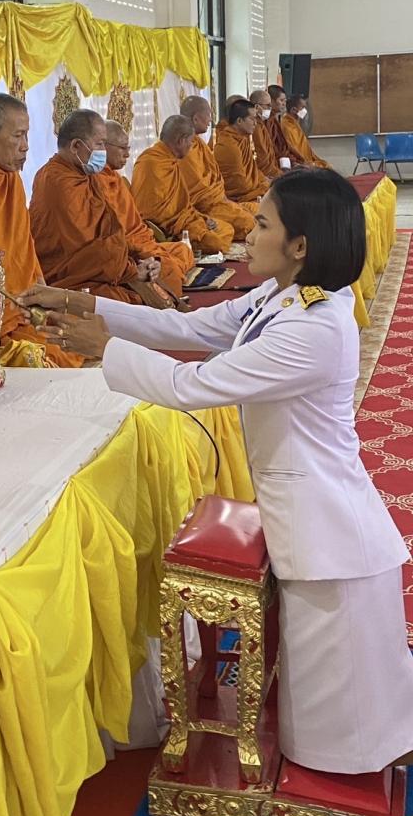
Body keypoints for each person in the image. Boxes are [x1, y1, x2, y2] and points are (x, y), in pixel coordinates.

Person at [22, 168, 413, 775]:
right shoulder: (284, 296)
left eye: (262, 224)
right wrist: (82, 303)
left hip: (329, 531)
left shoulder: (313, 328)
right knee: (332, 704)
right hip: (308, 514)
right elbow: (188, 327)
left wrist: (105, 347)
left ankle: (351, 779)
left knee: (346, 723)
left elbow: (193, 384)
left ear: (300, 245)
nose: (248, 235)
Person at [0, 94, 82, 367]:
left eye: (27, 135)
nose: (26, 146)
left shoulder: (12, 180)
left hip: (22, 306)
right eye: (18, 136)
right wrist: (12, 304)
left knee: (79, 331)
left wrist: (41, 293)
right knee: (38, 355)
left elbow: (23, 245)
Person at [30, 109, 162, 304]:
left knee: (157, 289)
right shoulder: (57, 181)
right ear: (76, 146)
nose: (103, 151)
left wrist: (139, 261)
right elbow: (85, 250)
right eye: (99, 144)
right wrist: (131, 270)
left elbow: (110, 231)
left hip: (103, 268)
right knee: (131, 303)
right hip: (70, 277)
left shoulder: (86, 175)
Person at [100, 120, 194, 298]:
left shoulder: (115, 179)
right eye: (122, 148)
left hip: (145, 239)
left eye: (128, 148)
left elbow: (135, 223)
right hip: (132, 249)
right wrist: (143, 253)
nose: (128, 154)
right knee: (170, 270)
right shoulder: (94, 182)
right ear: (103, 147)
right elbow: (117, 233)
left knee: (183, 250)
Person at [131, 115, 235, 254]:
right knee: (216, 242)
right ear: (181, 141)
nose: (191, 146)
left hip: (184, 221)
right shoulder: (151, 163)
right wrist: (189, 223)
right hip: (169, 228)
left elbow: (181, 204)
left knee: (226, 229)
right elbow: (154, 214)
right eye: (190, 142)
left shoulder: (170, 160)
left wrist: (201, 218)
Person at [177, 95, 256, 235]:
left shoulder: (200, 143)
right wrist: (221, 200)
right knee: (247, 222)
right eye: (208, 115)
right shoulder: (184, 149)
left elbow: (215, 176)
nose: (211, 120)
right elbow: (198, 192)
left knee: (257, 212)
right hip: (206, 207)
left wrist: (223, 198)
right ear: (196, 119)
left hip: (219, 200)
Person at [214, 98, 271, 203]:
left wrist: (264, 181)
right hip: (240, 199)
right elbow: (239, 185)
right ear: (239, 121)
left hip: (252, 192)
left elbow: (253, 170)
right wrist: (262, 187)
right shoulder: (228, 145)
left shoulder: (242, 139)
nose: (255, 123)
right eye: (252, 119)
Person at [280, 95, 330, 169]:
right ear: (293, 110)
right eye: (303, 107)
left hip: (306, 160)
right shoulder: (286, 126)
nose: (305, 111)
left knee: (325, 165)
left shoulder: (295, 123)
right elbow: (292, 149)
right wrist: (304, 163)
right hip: (298, 161)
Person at [249, 89, 281, 178]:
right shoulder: (253, 127)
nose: (270, 108)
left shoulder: (261, 124)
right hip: (263, 173)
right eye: (267, 105)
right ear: (256, 107)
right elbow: (260, 155)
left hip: (271, 169)